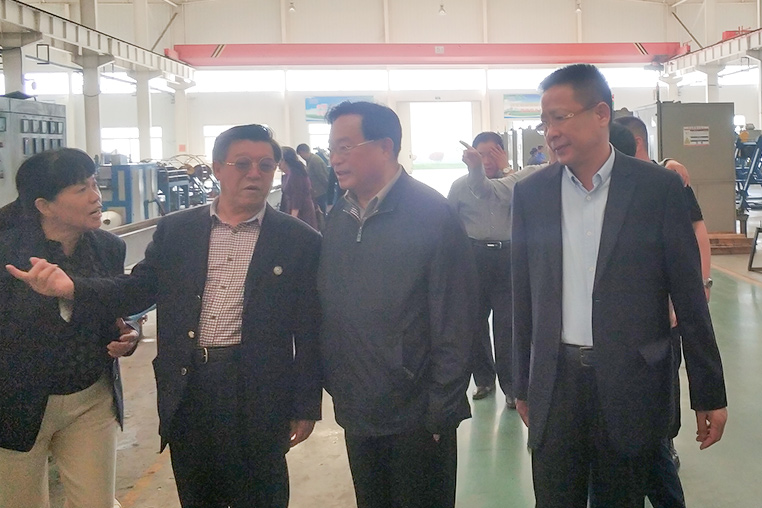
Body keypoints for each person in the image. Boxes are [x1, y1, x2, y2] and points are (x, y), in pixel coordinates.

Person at [8, 125, 323, 508]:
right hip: (190, 387)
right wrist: (74, 289)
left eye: (266, 165)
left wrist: (306, 404)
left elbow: (309, 330)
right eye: (242, 164)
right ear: (217, 168)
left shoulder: (300, 241)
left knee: (261, 492)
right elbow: (138, 289)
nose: (254, 174)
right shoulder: (178, 230)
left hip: (260, 390)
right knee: (197, 492)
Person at [511, 64, 728, 508]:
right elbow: (523, 295)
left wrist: (708, 392)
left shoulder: (657, 189)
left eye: (560, 117)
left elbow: (688, 297)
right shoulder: (532, 194)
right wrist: (521, 384)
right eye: (544, 121)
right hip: (557, 384)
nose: (550, 132)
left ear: (601, 114)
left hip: (631, 385)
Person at [318, 101, 478, 508]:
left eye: (345, 147)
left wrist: (441, 410)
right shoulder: (340, 216)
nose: (335, 159)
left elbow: (457, 321)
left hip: (416, 415)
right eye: (332, 148)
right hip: (358, 408)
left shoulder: (432, 214)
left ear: (385, 147)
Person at [0, 148, 139, 508]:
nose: (96, 197)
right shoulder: (7, 253)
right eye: (81, 189)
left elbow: (114, 302)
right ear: (44, 206)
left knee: (96, 502)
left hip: (89, 396)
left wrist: (128, 331)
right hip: (16, 404)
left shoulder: (108, 248)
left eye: (94, 185)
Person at [608, 115, 714, 508]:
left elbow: (696, 231)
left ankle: (663, 442)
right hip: (612, 337)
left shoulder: (666, 182)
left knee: (655, 419)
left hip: (658, 324)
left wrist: (699, 286)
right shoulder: (592, 189)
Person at [447, 131, 541, 407]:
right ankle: (484, 380)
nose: (486, 160)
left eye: (492, 154)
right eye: (480, 155)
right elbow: (449, 223)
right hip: (473, 258)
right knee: (475, 323)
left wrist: (507, 168)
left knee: (507, 325)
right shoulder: (460, 186)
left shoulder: (518, 183)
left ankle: (511, 387)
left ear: (502, 154)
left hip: (507, 257)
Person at [280, 146, 319, 230]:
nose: (278, 164)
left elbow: (297, 198)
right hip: (295, 211)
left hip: (302, 214)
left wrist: (292, 220)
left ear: (285, 160)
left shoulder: (295, 174)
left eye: (279, 160)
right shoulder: (288, 174)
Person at [297, 143, 330, 213]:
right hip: (316, 192)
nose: (301, 157)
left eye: (300, 154)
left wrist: (328, 189)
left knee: (321, 213)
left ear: (302, 152)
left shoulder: (315, 161)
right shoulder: (309, 160)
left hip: (320, 192)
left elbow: (322, 176)